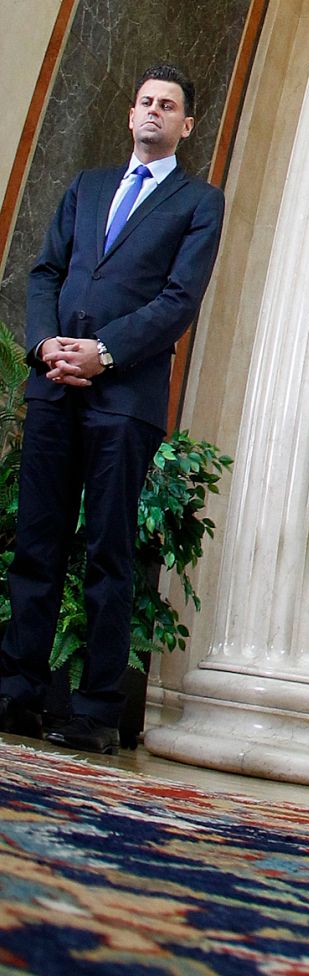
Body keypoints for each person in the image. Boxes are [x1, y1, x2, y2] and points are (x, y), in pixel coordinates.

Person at [0, 66, 225, 753]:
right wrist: (44, 347)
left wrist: (103, 351)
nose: (155, 111)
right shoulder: (87, 187)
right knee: (35, 545)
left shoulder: (199, 202)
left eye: (171, 106)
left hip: (123, 399)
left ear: (187, 126)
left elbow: (178, 301)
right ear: (131, 116)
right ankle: (17, 696)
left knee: (108, 551)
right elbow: (45, 272)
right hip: (53, 387)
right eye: (147, 102)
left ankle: (97, 710)